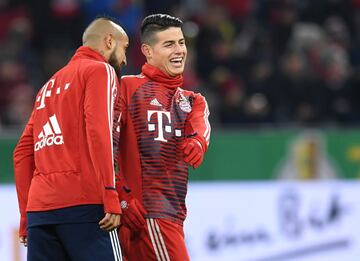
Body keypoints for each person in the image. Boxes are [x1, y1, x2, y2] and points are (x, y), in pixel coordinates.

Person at [13, 16, 129, 261]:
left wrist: (25, 215)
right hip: (85, 205)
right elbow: (99, 130)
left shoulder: (47, 86)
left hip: (40, 212)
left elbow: (22, 152)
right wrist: (109, 192)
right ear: (109, 40)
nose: (125, 59)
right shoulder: (100, 70)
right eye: (124, 48)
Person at [114, 14, 211, 260]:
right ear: (147, 50)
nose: (179, 50)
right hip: (149, 213)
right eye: (169, 44)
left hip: (171, 213)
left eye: (181, 42)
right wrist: (121, 196)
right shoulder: (127, 87)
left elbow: (200, 124)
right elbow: (104, 144)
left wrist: (197, 141)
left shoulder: (191, 100)